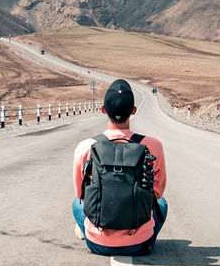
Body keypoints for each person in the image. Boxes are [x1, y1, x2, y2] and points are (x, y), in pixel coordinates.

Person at [71, 79, 168, 255]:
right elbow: (157, 193)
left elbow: (81, 195)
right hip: (140, 245)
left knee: (76, 204)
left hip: (98, 243)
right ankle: (143, 235)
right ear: (133, 111)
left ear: (103, 110)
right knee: (162, 203)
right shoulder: (153, 145)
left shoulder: (86, 146)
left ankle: (87, 229)